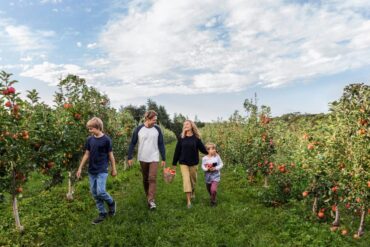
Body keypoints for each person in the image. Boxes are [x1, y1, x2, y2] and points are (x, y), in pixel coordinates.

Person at [76, 117, 117, 225]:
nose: (89, 131)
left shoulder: (106, 140)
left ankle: (111, 203)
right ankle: (102, 213)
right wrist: (80, 168)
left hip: (102, 170)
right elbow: (87, 154)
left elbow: (111, 156)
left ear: (98, 127)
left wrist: (114, 169)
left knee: (101, 191)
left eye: (91, 128)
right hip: (92, 170)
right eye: (89, 129)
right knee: (94, 193)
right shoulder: (89, 140)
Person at [127, 110, 166, 210]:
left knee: (152, 178)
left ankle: (151, 201)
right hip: (143, 157)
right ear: (147, 119)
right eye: (153, 120)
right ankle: (148, 195)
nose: (155, 122)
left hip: (154, 157)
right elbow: (132, 143)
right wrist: (130, 156)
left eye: (156, 120)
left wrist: (163, 158)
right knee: (145, 178)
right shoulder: (139, 129)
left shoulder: (157, 129)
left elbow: (161, 143)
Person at [172, 120, 208, 208]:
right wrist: (174, 163)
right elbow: (177, 151)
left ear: (192, 126)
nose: (185, 125)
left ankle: (193, 191)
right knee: (186, 180)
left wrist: (212, 153)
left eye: (187, 124)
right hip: (183, 162)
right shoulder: (181, 138)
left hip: (194, 162)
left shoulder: (196, 138)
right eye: (184, 124)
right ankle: (188, 201)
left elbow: (203, 149)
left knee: (193, 180)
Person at [201, 142, 223, 207]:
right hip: (208, 177)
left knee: (213, 190)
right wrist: (206, 169)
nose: (214, 150)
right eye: (212, 148)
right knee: (209, 189)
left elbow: (221, 164)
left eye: (214, 148)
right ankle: (212, 196)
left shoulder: (217, 157)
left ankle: (213, 202)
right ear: (207, 150)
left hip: (215, 176)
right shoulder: (204, 158)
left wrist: (215, 168)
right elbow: (203, 166)